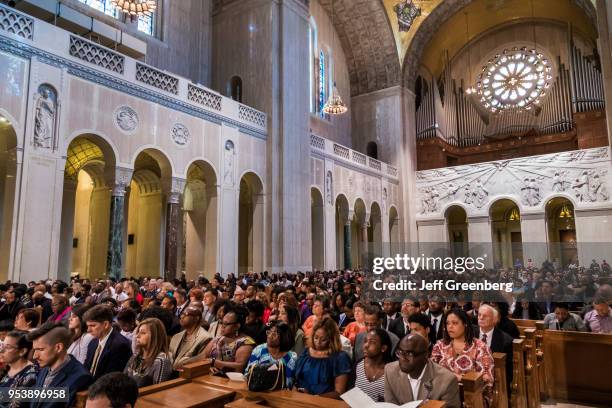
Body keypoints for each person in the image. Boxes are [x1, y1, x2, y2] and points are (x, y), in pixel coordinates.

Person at [431, 309, 494, 406]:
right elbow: (431, 371)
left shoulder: (480, 347)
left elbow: (487, 379)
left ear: (465, 324)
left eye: (455, 323)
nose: (450, 327)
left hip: (470, 396)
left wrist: (459, 378)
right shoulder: (440, 345)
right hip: (442, 395)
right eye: (447, 323)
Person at [27, 322, 93, 408]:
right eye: (35, 350)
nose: (35, 356)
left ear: (58, 347)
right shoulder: (44, 367)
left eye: (40, 349)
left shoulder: (81, 378)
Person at [385, 334, 460, 408]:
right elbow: (390, 405)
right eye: (400, 352)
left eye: (409, 354)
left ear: (426, 355)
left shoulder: (447, 381)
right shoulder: (390, 371)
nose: (403, 358)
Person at [294, 317, 352, 398]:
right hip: (301, 399)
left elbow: (339, 392)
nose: (318, 342)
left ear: (331, 339)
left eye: (323, 339)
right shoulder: (306, 352)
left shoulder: (340, 358)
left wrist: (315, 398)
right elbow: (297, 380)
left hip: (325, 403)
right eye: (316, 337)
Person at [201, 305, 256, 374]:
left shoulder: (246, 343)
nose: (222, 326)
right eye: (222, 322)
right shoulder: (218, 338)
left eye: (226, 324)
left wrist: (213, 362)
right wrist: (208, 366)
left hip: (231, 381)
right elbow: (202, 357)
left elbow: (240, 367)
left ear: (237, 326)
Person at [84, 305, 133, 380]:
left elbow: (110, 380)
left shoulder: (120, 345)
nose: (88, 330)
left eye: (92, 325)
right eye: (88, 326)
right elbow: (86, 369)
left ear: (106, 324)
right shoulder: (93, 342)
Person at [245, 321, 297, 389]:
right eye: (269, 332)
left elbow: (290, 381)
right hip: (259, 390)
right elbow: (249, 374)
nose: (269, 336)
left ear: (284, 337)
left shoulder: (292, 357)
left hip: (282, 394)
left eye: (274, 334)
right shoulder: (259, 350)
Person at [475, 304, 513, 397]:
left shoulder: (506, 340)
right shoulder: (469, 334)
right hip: (472, 378)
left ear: (495, 320)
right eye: (479, 315)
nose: (481, 318)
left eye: (485, 316)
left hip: (496, 382)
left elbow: (508, 372)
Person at [124, 318, 173, 387]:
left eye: (143, 333)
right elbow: (123, 380)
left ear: (155, 336)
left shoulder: (161, 361)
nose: (137, 336)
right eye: (138, 332)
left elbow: (158, 392)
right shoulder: (136, 356)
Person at [352, 328, 392, 402]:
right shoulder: (358, 365)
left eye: (372, 342)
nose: (366, 346)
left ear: (383, 348)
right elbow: (349, 392)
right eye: (365, 341)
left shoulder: (391, 371)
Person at [0, 331, 38, 407]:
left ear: (22, 351)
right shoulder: (6, 367)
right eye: (2, 346)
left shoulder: (30, 376)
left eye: (7, 347)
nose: (1, 350)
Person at [169, 305, 212, 370]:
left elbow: (201, 362)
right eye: (182, 314)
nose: (181, 317)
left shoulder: (205, 338)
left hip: (188, 374)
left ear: (197, 318)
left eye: (186, 314)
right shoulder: (176, 336)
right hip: (171, 373)